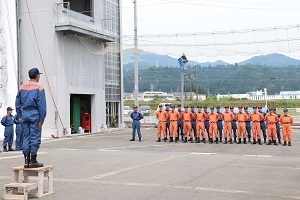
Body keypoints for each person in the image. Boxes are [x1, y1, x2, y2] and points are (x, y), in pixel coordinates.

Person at [15, 68, 47, 168]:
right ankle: (33, 160)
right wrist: (42, 119)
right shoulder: (39, 87)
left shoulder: (22, 87)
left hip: (24, 114)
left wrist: (20, 116)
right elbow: (42, 106)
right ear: (37, 76)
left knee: (26, 137)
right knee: (35, 137)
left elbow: (17, 103)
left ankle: (26, 161)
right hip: (34, 114)